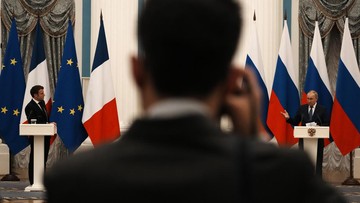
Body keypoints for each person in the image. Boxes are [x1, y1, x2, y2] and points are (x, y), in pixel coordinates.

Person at [43, 0, 346, 202]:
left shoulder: (75, 181)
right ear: (232, 81)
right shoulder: (280, 177)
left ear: (137, 71)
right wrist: (251, 143)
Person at [281, 90, 329, 177]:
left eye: (311, 99)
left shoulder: (322, 109)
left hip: (317, 140)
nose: (309, 100)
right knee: (304, 160)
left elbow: (327, 123)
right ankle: (304, 180)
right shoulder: (302, 108)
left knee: (317, 160)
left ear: (316, 99)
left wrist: (318, 126)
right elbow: (295, 122)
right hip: (304, 140)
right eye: (307, 98)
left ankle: (317, 180)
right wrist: (288, 118)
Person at [24, 85, 50, 185]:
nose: (44, 94)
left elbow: (44, 118)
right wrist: (47, 124)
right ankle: (33, 180)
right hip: (36, 136)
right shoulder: (29, 106)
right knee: (35, 158)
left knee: (44, 158)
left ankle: (41, 179)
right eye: (41, 93)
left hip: (45, 135)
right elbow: (33, 121)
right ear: (35, 95)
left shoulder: (42, 103)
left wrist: (49, 124)